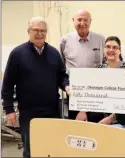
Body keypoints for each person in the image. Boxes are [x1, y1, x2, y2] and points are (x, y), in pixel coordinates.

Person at [1, 17, 70, 158]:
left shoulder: (54, 53)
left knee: (52, 147)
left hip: (52, 110)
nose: (40, 33)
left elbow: (62, 76)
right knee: (31, 149)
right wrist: (8, 109)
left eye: (43, 30)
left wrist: (66, 86)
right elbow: (8, 83)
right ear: (28, 31)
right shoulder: (17, 54)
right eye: (36, 30)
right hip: (29, 112)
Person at [60, 9, 105, 121]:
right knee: (76, 129)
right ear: (73, 21)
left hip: (96, 93)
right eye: (79, 20)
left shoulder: (101, 40)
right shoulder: (65, 40)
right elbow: (61, 68)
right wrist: (66, 86)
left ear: (90, 21)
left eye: (85, 20)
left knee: (96, 127)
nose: (82, 23)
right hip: (74, 93)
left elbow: (107, 64)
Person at [88, 36, 125, 123]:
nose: (111, 50)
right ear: (104, 50)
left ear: (120, 51)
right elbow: (91, 93)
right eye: (108, 47)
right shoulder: (97, 69)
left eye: (115, 47)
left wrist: (111, 119)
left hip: (119, 116)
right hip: (99, 112)